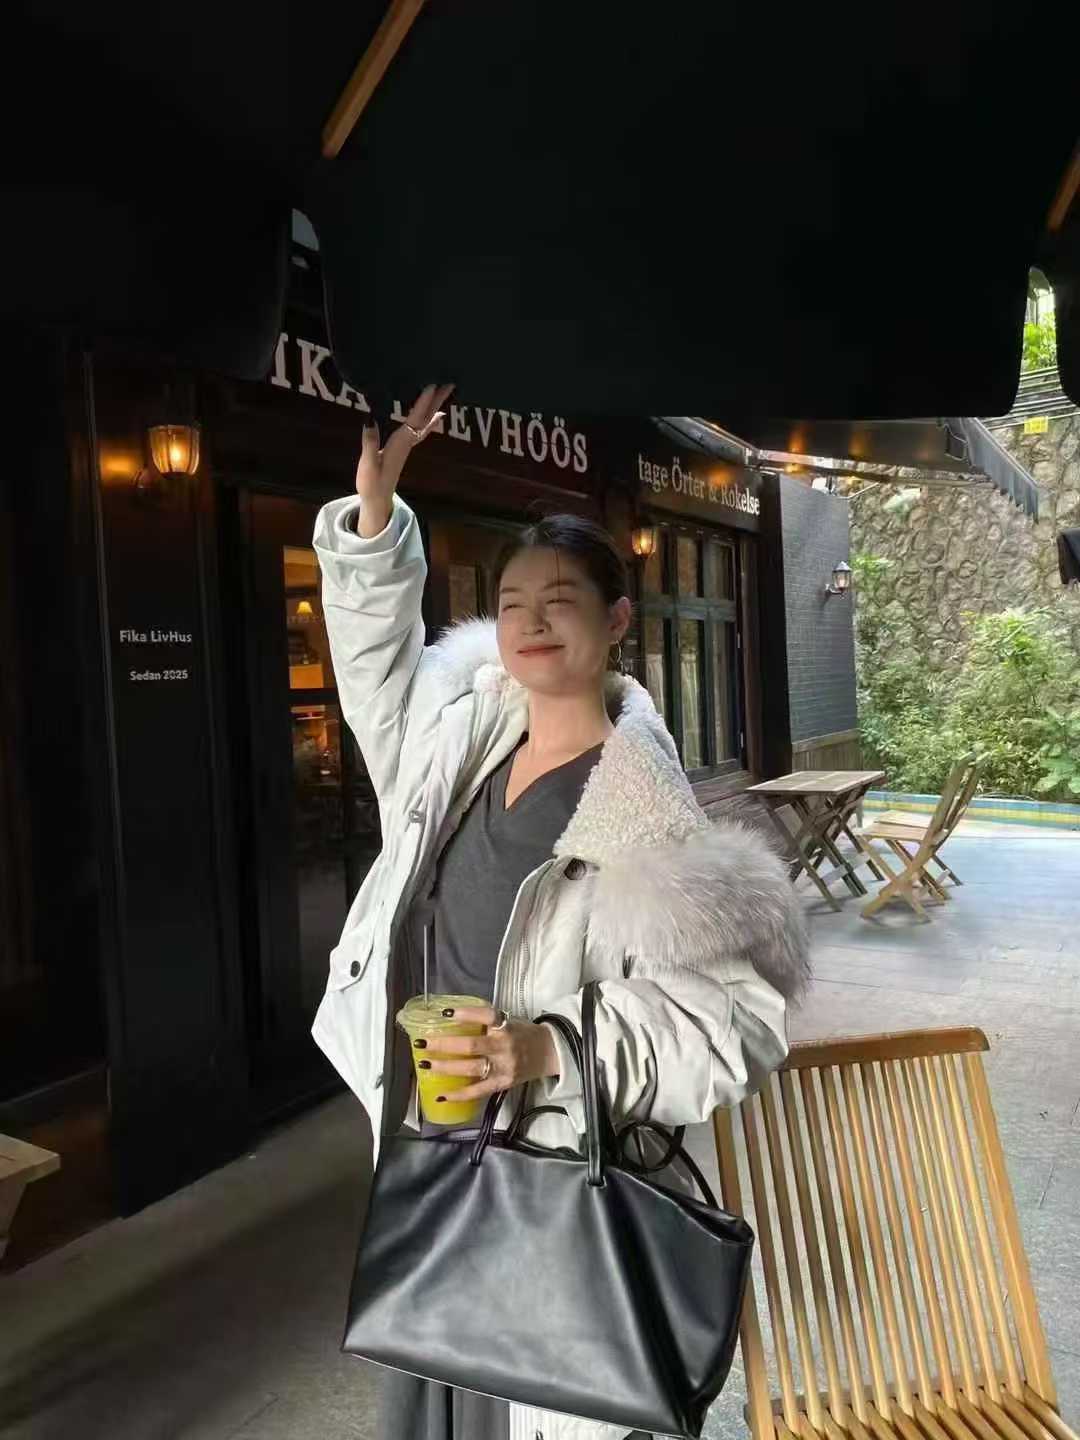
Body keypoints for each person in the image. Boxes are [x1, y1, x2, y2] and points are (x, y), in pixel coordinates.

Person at [311, 387, 810, 1440]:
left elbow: (738, 1026)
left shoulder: (644, 810)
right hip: (430, 1146)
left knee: (522, 1400)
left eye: (562, 599)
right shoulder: (455, 749)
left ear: (618, 621)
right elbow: (375, 679)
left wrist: (549, 1046)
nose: (532, 621)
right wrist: (374, 525)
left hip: (543, 1171)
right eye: (513, 601)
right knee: (428, 1382)